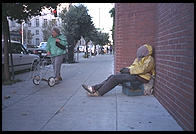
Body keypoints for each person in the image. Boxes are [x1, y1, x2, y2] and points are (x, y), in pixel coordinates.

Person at [82, 44, 155, 96]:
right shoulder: (139, 58)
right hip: (135, 75)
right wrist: (126, 69)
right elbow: (134, 66)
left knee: (115, 78)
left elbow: (143, 69)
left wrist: (129, 71)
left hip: (142, 77)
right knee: (113, 76)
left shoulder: (150, 59)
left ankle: (99, 93)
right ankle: (94, 88)